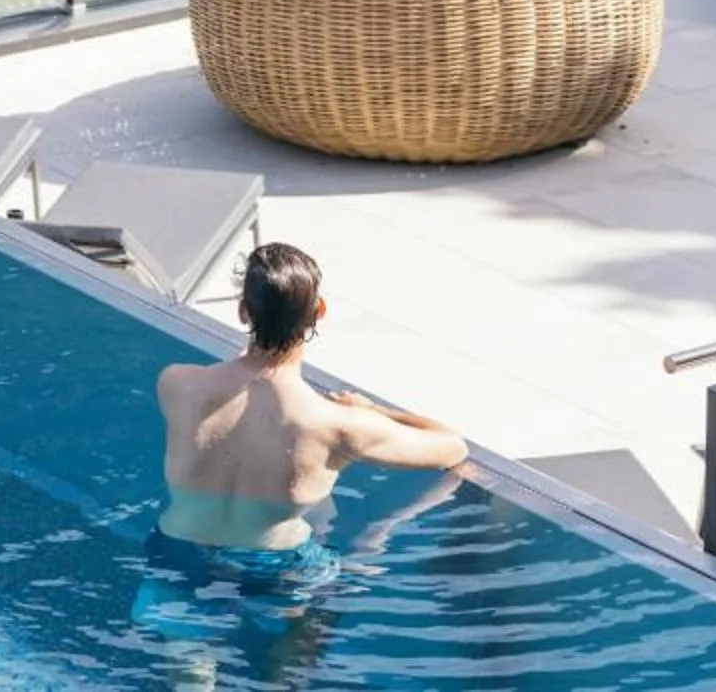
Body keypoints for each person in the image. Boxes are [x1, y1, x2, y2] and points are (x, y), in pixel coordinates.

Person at [131, 242, 467, 682]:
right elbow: (451, 446)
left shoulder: (177, 384)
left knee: (191, 668)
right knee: (309, 625)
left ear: (242, 311)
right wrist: (373, 411)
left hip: (179, 551)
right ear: (320, 310)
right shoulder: (338, 426)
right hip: (276, 565)